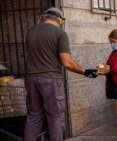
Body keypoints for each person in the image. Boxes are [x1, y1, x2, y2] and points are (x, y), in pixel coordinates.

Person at [24, 7, 98, 141]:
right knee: (55, 117)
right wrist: (85, 71)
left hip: (30, 79)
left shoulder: (31, 31)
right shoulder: (60, 33)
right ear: (61, 20)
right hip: (50, 80)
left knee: (33, 116)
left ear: (45, 16)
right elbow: (67, 62)